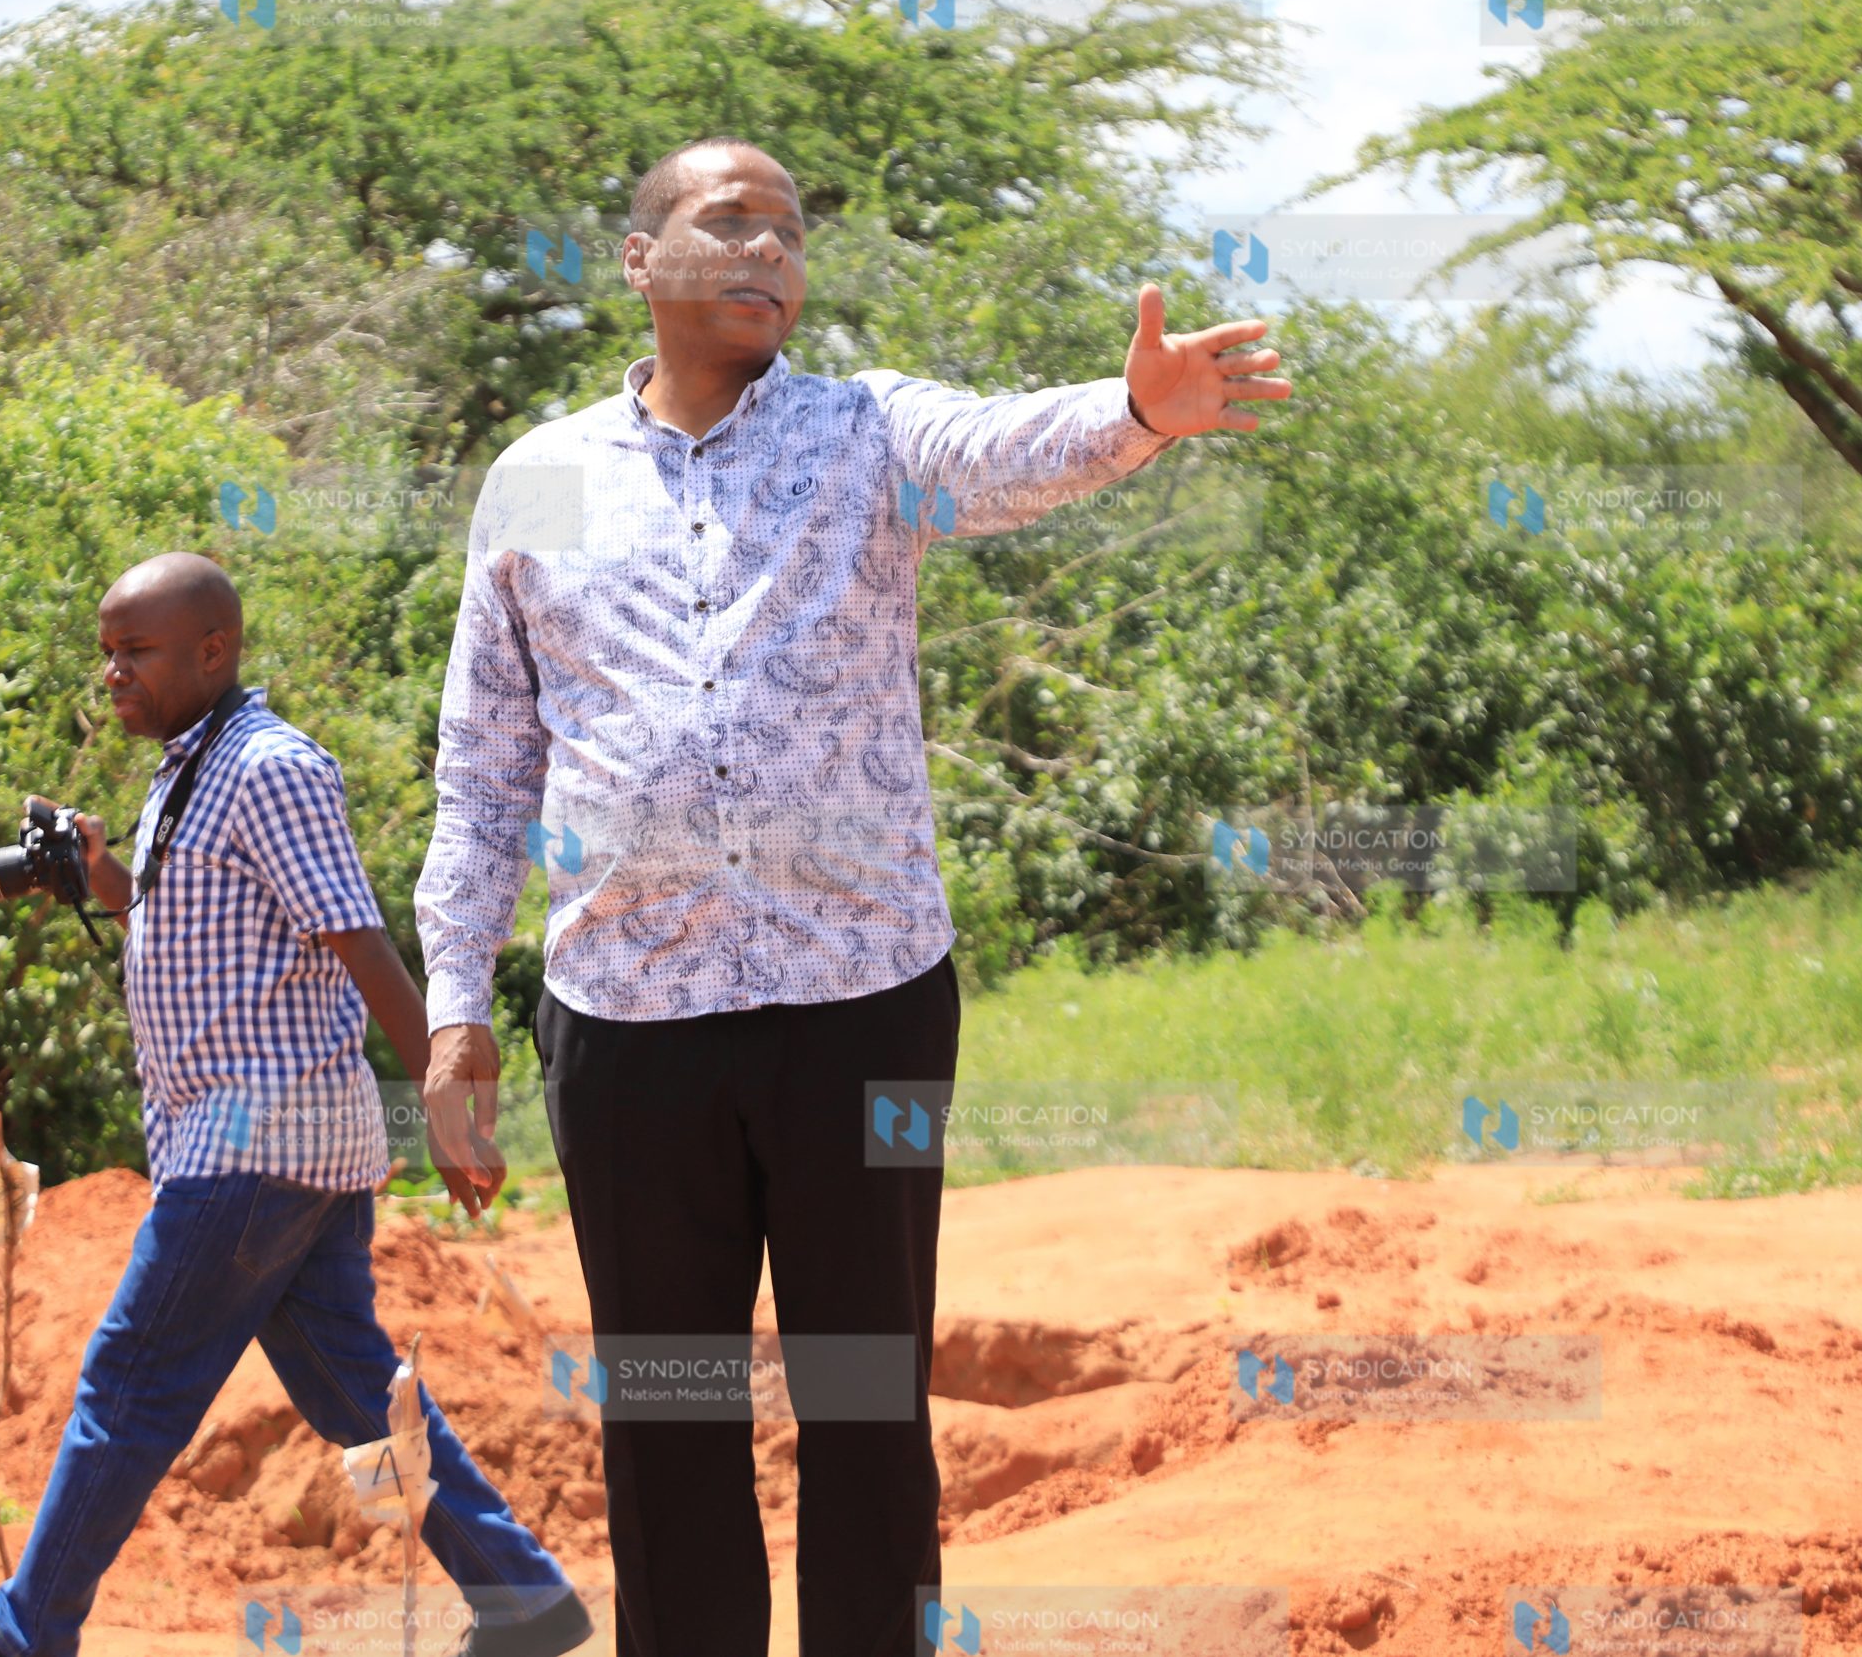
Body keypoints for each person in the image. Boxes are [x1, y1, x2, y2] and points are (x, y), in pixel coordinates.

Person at [412, 139, 1292, 1657]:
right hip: (629, 1024)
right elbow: (486, 768)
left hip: (859, 1008)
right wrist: (452, 1008)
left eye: (790, 232)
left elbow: (1006, 450)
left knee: (867, 1409)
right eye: (728, 221)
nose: (767, 251)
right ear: (639, 260)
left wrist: (1139, 411)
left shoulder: (862, 433)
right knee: (670, 1422)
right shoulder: (536, 480)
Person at [0, 553, 589, 1657]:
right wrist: (103, 878)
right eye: (106, 652)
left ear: (213, 651)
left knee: (129, 1382)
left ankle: (24, 1637)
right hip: (259, 1139)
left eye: (137, 651)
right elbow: (196, 930)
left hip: (252, 1134)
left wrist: (446, 1114)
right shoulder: (188, 767)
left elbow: (358, 939)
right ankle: (523, 1598)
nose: (112, 673)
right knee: (354, 1388)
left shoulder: (267, 767)